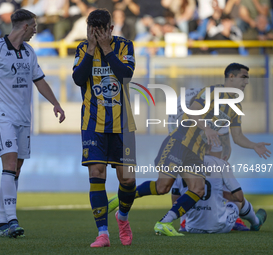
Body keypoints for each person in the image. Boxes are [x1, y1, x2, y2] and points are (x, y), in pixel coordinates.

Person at [109, 63, 271, 236]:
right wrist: (206, 128)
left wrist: (253, 145)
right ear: (231, 77)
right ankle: (120, 198)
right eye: (243, 77)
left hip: (196, 152)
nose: (246, 81)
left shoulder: (236, 108)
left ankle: (163, 222)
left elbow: (237, 136)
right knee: (162, 187)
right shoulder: (211, 92)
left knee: (198, 188)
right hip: (180, 142)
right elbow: (191, 112)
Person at [0, 9, 65, 238]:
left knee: (15, 169)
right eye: (34, 26)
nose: (36, 30)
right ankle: (12, 220)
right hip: (2, 117)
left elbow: (40, 82)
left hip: (24, 119)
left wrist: (56, 104)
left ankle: (2, 223)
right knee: (9, 164)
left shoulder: (29, 52)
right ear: (26, 26)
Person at [72, 8, 137, 248]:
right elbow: (79, 79)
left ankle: (122, 217)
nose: (97, 35)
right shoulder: (81, 48)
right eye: (92, 31)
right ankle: (103, 233)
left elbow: (125, 74)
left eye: (102, 30)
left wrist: (107, 49)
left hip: (123, 124)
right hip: (93, 123)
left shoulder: (124, 46)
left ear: (111, 29)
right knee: (96, 174)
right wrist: (91, 49)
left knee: (128, 180)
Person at [172, 150, 267, 234]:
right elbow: (239, 197)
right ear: (209, 147)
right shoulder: (219, 164)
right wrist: (218, 191)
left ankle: (183, 224)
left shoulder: (180, 165)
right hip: (219, 227)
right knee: (238, 201)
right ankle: (256, 222)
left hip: (192, 228)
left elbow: (175, 201)